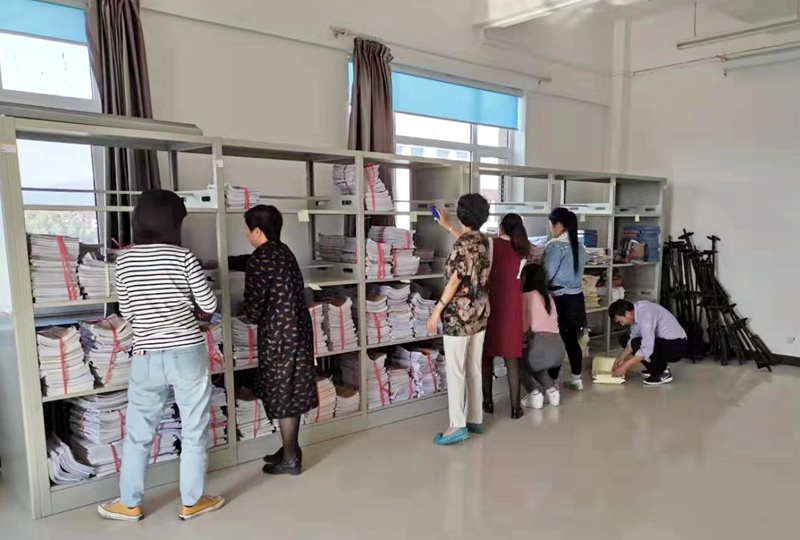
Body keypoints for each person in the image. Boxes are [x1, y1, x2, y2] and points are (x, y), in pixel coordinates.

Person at [98, 190, 224, 522]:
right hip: (187, 351)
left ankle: (129, 504)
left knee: (138, 435)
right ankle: (191, 502)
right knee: (194, 430)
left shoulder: (124, 260)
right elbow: (209, 305)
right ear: (173, 222)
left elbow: (127, 312)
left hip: (146, 355)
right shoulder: (183, 257)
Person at [229, 205, 317, 474]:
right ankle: (290, 448)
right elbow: (257, 262)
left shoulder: (260, 259)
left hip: (279, 337)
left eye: (247, 229)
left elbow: (254, 311)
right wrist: (229, 261)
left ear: (257, 231)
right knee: (292, 388)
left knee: (283, 392)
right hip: (298, 331)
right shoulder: (282, 250)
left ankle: (290, 459)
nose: (245, 233)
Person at [428, 194, 491, 445]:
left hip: (458, 317)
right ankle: (475, 418)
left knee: (455, 370)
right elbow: (467, 246)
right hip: (480, 314)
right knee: (473, 366)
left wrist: (437, 309)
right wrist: (447, 227)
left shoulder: (461, 246)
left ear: (461, 214)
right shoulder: (483, 241)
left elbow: (454, 280)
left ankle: (456, 425)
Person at [480, 213, 539, 420]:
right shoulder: (524, 249)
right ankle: (515, 407)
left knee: (487, 356)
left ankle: (487, 402)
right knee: (512, 358)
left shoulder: (491, 244)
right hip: (512, 309)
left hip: (492, 306)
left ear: (502, 227)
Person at [543, 207, 587, 391]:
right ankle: (577, 379)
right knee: (572, 340)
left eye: (551, 225)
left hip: (560, 300)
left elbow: (547, 274)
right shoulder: (580, 246)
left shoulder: (556, 246)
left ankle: (552, 383)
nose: (551, 229)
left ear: (559, 225)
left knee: (557, 342)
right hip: (576, 298)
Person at [609, 299, 688, 386]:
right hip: (664, 342)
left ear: (627, 313)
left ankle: (662, 372)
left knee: (638, 344)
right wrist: (621, 357)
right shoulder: (635, 312)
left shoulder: (646, 315)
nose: (622, 324)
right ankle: (655, 368)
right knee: (626, 339)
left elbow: (647, 348)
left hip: (677, 345)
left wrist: (625, 365)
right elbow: (633, 338)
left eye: (621, 321)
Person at [519, 263, 565, 409]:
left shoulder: (526, 296)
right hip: (558, 347)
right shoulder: (548, 296)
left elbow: (525, 328)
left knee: (517, 365)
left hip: (539, 346)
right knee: (539, 368)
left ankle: (535, 393)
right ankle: (552, 392)